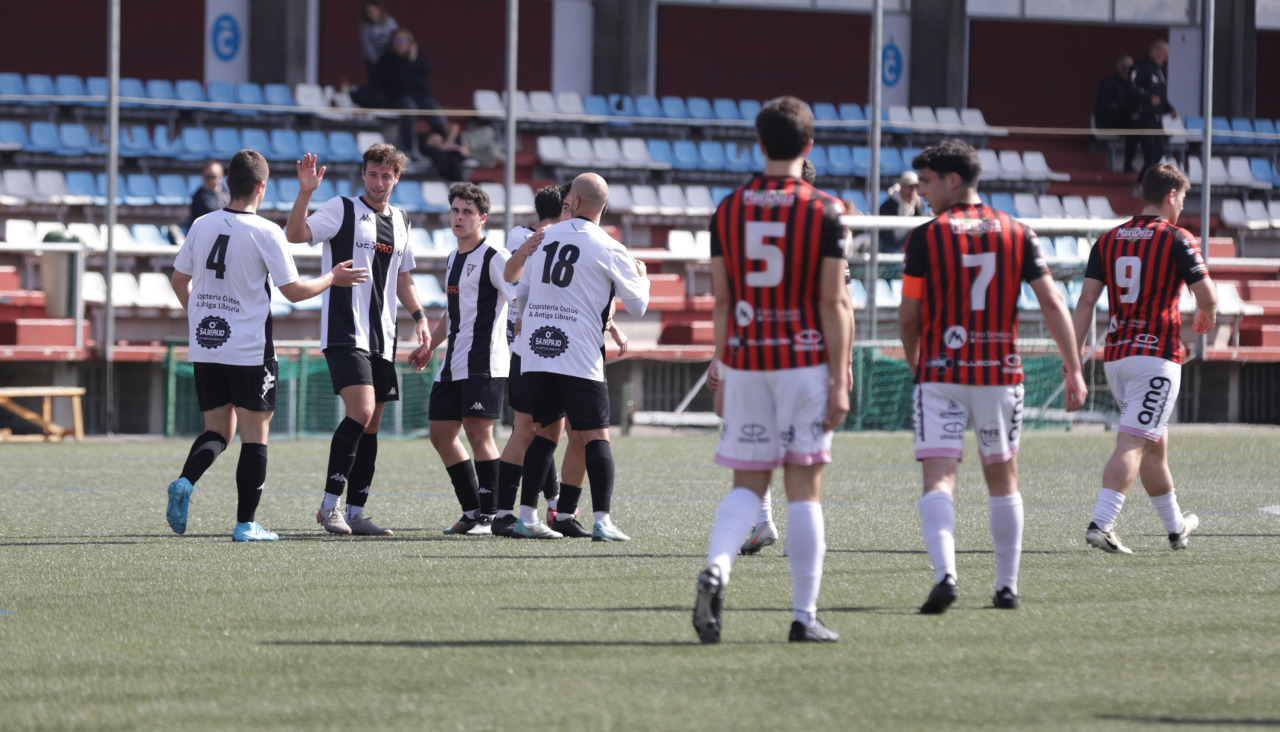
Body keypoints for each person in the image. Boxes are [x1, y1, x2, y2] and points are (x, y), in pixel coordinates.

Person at [898, 139, 1087, 614]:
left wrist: (915, 358)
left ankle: (946, 575)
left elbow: (908, 312)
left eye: (925, 182)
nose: (920, 192)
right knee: (1003, 479)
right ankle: (1006, 586)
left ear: (952, 181)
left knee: (939, 479)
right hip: (999, 372)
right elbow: (1051, 302)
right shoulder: (1016, 232)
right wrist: (1074, 367)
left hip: (940, 371)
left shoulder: (925, 236)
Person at [693, 96, 854, 645]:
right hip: (804, 362)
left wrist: (724, 362)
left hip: (747, 360)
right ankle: (803, 616)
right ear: (809, 146)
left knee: (747, 484)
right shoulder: (827, 210)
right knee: (803, 488)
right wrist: (842, 375)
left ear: (758, 145)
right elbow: (834, 302)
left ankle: (717, 565)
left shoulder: (728, 210)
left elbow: (721, 300)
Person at [166, 149, 368, 541]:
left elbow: (178, 281)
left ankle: (187, 481)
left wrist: (200, 319)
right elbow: (293, 291)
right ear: (262, 187)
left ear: (227, 184)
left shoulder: (202, 224)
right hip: (249, 350)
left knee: (217, 431)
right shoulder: (266, 232)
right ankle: (245, 525)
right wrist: (332, 277)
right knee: (254, 435)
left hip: (207, 346)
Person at [285, 143, 431, 537]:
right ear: (363, 174)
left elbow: (403, 277)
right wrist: (305, 192)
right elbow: (296, 234)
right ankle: (329, 506)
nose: (379, 181)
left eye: (387, 175)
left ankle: (356, 511)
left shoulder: (401, 219)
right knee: (362, 411)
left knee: (372, 424)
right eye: (372, 173)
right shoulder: (342, 208)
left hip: (383, 337)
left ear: (397, 178)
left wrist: (420, 318)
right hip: (345, 331)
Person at [1072, 163, 1215, 555]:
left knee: (1154, 446)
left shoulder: (1110, 238)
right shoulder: (1176, 238)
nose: (1182, 208)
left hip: (1116, 358)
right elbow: (1208, 296)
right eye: (1182, 200)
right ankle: (1102, 523)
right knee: (1135, 442)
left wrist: (1074, 355)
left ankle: (1176, 528)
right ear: (1171, 195)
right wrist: (1208, 313)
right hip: (1156, 356)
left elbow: (1086, 301)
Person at [509, 172, 650, 541]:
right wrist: (643, 277)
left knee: (546, 434)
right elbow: (638, 306)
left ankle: (527, 517)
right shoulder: (608, 245)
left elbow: (521, 293)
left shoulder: (542, 237)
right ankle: (602, 519)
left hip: (537, 352)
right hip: (579, 355)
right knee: (596, 436)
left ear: (577, 201)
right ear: (603, 205)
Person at [407, 183, 512, 536]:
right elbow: (451, 316)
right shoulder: (453, 258)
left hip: (485, 363)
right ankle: (472, 510)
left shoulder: (495, 256)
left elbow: (518, 296)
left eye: (467, 212)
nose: (459, 217)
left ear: (482, 218)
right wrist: (431, 347)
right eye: (455, 210)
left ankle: (492, 514)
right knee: (440, 433)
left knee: (479, 434)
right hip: (453, 363)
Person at [374, 27, 445, 157]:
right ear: (392, 44)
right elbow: (398, 80)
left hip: (418, 98)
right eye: (397, 40)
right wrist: (409, 61)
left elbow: (426, 70)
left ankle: (445, 141)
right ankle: (409, 149)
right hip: (396, 99)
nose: (401, 43)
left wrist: (413, 58)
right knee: (409, 106)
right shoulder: (387, 59)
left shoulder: (415, 59)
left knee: (432, 105)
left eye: (404, 40)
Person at [1131, 39, 1176, 183]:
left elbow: (1161, 96)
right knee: (1150, 153)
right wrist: (1147, 98)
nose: (1165, 57)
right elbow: (1131, 88)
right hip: (1144, 117)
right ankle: (1142, 182)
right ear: (1154, 52)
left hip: (1157, 119)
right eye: (1163, 53)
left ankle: (1146, 181)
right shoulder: (1140, 67)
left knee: (1159, 152)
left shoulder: (1159, 70)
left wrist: (1169, 109)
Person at [1094, 55, 1141, 172]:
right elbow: (1105, 106)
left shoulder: (1135, 85)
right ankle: (1128, 163)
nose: (1127, 71)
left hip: (1129, 121)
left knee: (1140, 123)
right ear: (1119, 68)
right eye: (1124, 67)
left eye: (1130, 68)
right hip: (1112, 120)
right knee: (1133, 124)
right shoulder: (1108, 83)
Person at [878, 170, 924, 253]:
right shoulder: (888, 206)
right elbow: (885, 234)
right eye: (910, 187)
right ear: (902, 187)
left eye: (916, 187)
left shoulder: (917, 205)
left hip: (907, 244)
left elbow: (920, 228)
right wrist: (900, 246)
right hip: (890, 245)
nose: (913, 190)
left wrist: (919, 207)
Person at [360, 2, 398, 86]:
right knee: (376, 80)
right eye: (369, 11)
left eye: (374, 10)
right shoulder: (365, 25)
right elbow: (366, 42)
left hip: (388, 55)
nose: (372, 13)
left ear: (380, 10)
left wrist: (394, 51)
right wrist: (372, 56)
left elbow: (396, 36)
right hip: (374, 58)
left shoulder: (389, 21)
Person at [186, 161, 229, 230]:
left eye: (213, 177)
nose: (210, 180)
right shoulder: (199, 197)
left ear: (221, 175)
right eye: (207, 177)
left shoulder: (227, 193)